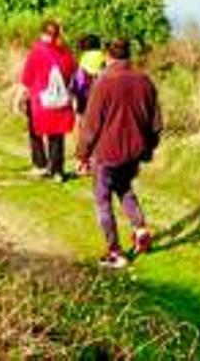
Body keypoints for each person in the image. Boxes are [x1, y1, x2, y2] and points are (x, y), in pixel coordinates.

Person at [77, 39, 161, 269]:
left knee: (103, 200)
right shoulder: (145, 81)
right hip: (133, 149)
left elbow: (91, 124)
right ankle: (140, 229)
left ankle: (115, 251)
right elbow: (155, 122)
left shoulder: (103, 82)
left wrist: (82, 155)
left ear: (108, 56)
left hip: (106, 152)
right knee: (124, 188)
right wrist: (148, 149)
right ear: (129, 55)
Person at [15, 20, 77, 182]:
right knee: (57, 135)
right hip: (61, 100)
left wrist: (17, 100)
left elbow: (26, 79)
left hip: (40, 101)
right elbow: (73, 74)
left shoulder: (37, 51)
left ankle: (40, 165)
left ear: (42, 33)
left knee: (36, 132)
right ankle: (57, 170)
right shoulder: (65, 53)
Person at [70, 34, 106, 123]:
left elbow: (79, 79)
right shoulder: (103, 56)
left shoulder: (83, 58)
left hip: (85, 93)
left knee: (82, 117)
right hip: (101, 92)